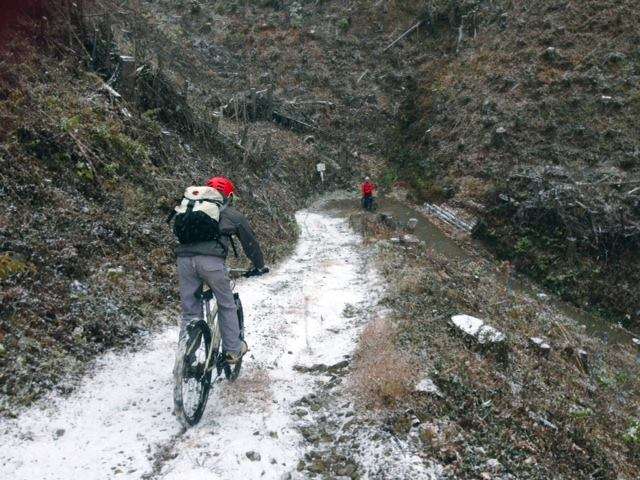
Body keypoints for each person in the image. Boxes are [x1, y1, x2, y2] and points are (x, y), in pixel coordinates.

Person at [175, 176, 267, 363]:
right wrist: (259, 265)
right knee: (226, 304)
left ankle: (186, 357)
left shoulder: (192, 207)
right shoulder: (232, 215)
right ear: (229, 196)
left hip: (183, 260)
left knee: (190, 312)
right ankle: (233, 351)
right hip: (211, 264)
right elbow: (250, 244)